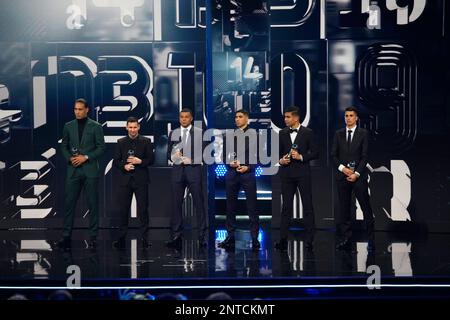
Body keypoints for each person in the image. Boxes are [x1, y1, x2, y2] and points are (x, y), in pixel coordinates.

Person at [57, 98, 106, 250]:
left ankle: (93, 237)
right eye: (75, 109)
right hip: (74, 170)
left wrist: (86, 157)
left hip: (90, 170)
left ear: (87, 110)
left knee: (93, 205)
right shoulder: (68, 126)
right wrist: (70, 159)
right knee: (69, 204)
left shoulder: (96, 126)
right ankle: (66, 236)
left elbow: (101, 148)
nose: (77, 112)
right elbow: (63, 146)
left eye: (80, 109)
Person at [275, 106, 318, 251]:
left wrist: (301, 157)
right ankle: (282, 239)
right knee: (286, 207)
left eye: (288, 117)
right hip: (286, 174)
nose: (285, 119)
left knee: (308, 206)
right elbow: (277, 154)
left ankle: (309, 240)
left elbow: (315, 153)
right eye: (285, 117)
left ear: (296, 118)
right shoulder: (282, 133)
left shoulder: (308, 133)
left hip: (302, 174)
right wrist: (281, 161)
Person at [331, 106, 374, 251]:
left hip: (358, 177)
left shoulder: (363, 134)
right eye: (346, 115)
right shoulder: (338, 134)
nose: (348, 118)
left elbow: (365, 156)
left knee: (366, 207)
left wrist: (356, 173)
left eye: (351, 115)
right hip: (342, 177)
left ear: (356, 118)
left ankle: (371, 240)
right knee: (344, 210)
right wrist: (343, 169)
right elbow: (333, 156)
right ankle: (347, 239)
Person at [218, 110, 260, 250]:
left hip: (248, 174)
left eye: (240, 117)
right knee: (230, 207)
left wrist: (248, 167)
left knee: (252, 206)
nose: (237, 119)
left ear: (247, 119)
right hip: (232, 174)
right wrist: (230, 163)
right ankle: (230, 236)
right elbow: (224, 156)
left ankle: (254, 238)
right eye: (236, 117)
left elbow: (260, 156)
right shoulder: (229, 135)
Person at [166, 108, 207, 248]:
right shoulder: (173, 133)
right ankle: (176, 236)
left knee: (199, 204)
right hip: (178, 172)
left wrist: (192, 160)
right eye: (181, 117)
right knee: (176, 204)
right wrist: (174, 157)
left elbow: (205, 155)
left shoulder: (199, 133)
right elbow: (168, 155)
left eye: (186, 117)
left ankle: (202, 237)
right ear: (179, 118)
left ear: (191, 118)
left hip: (194, 171)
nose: (183, 119)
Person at [112, 117, 154, 249]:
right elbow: (116, 161)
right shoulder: (121, 142)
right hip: (125, 180)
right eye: (130, 127)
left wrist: (139, 161)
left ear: (139, 127)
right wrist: (124, 166)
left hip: (141, 180)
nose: (132, 130)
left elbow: (151, 160)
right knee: (123, 210)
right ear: (126, 127)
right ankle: (121, 238)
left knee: (143, 210)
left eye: (135, 127)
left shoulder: (146, 141)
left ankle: (145, 239)